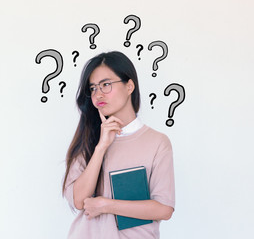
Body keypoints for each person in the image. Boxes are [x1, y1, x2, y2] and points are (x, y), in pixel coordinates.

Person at [62, 51, 175, 238]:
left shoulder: (157, 142)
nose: (98, 94)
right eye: (93, 88)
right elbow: (79, 201)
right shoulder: (89, 140)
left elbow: (164, 209)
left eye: (106, 85)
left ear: (129, 86)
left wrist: (106, 205)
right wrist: (101, 148)